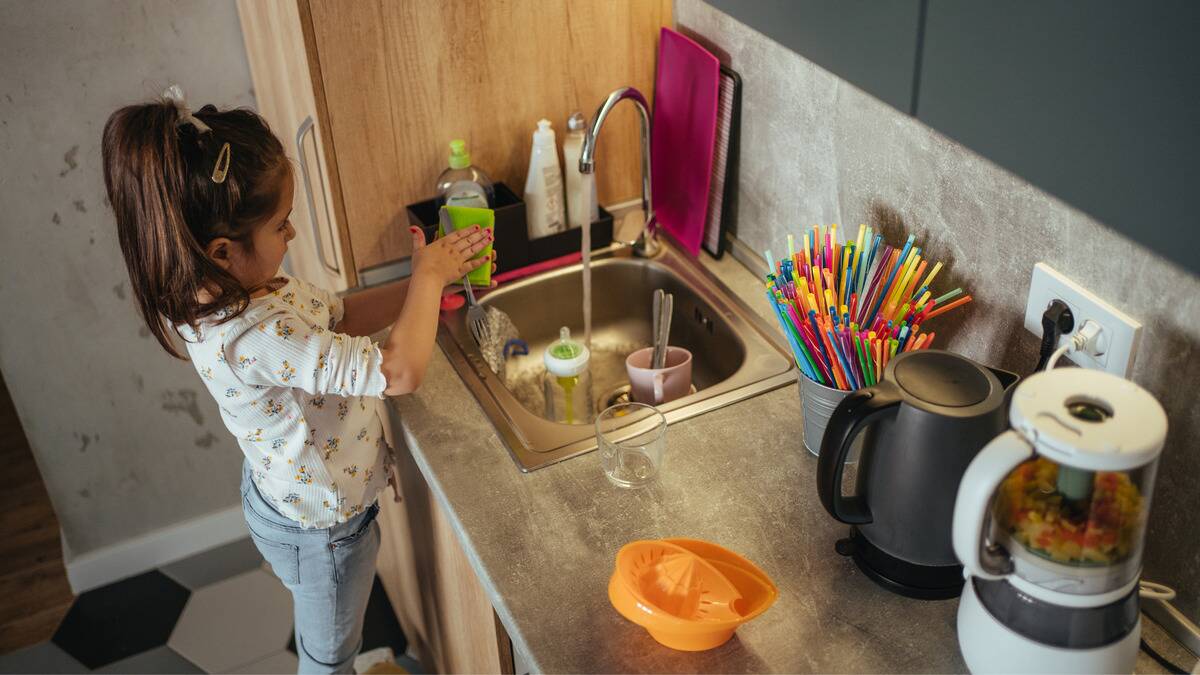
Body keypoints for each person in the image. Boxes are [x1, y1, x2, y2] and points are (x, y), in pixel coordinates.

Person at [101, 85, 492, 673]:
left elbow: (342, 315)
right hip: (322, 532)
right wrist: (430, 282)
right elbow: (399, 372)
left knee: (334, 636)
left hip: (299, 506)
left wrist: (421, 279)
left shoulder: (240, 292)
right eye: (282, 226)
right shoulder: (253, 332)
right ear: (223, 250)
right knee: (328, 656)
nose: (293, 237)